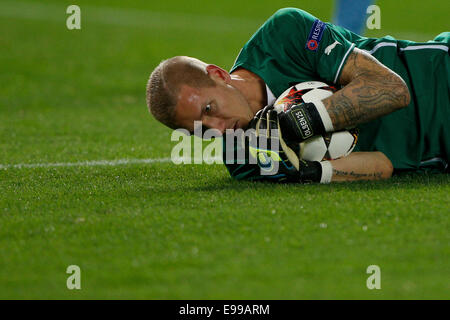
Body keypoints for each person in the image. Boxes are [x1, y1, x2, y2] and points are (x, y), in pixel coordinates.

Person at [146, 8, 449, 183]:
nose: (217, 128)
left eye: (209, 108)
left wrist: (294, 125)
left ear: (218, 74)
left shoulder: (283, 35)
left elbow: (391, 90)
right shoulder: (243, 159)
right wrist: (312, 171)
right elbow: (382, 165)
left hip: (440, 74)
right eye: (200, 131)